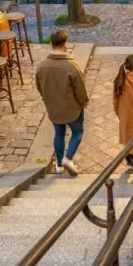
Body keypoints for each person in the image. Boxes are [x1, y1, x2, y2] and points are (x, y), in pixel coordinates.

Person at [35, 29, 88, 176]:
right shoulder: (71, 65)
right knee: (77, 131)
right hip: (72, 108)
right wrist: (84, 102)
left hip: (53, 108)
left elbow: (39, 86)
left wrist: (48, 99)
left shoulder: (41, 66)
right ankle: (68, 158)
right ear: (65, 45)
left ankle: (59, 165)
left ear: (51, 44)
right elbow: (80, 88)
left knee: (59, 134)